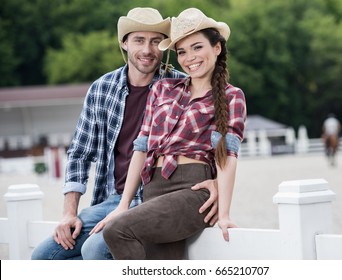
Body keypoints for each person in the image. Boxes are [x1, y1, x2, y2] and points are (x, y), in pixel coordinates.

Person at [31, 7, 218, 260]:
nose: (147, 50)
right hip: (110, 199)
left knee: (95, 249)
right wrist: (69, 212)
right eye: (139, 40)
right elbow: (79, 154)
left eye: (155, 42)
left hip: (155, 199)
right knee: (44, 257)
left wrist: (214, 182)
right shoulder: (102, 89)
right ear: (124, 43)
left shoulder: (182, 86)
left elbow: (214, 141)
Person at [90, 7, 247, 260]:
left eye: (197, 47)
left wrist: (225, 212)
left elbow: (228, 154)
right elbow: (141, 147)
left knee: (117, 230)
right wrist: (123, 205)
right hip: (154, 186)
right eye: (182, 52)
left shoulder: (232, 96)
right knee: (164, 265)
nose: (189, 58)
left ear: (217, 48)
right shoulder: (163, 89)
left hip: (193, 188)